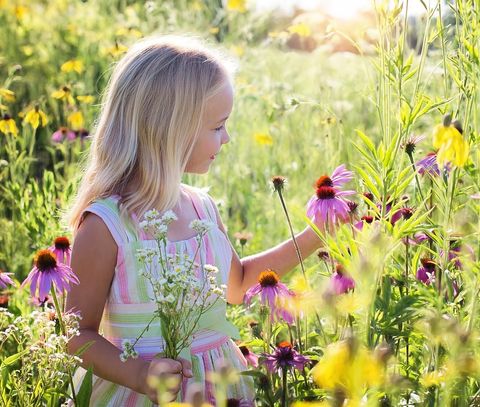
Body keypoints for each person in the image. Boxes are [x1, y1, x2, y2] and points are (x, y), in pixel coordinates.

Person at [65, 35, 324, 406]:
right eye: (218, 126)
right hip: (139, 394)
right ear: (171, 129)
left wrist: (315, 235)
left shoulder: (203, 208)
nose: (228, 137)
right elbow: (77, 336)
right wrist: (139, 374)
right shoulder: (107, 226)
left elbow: (237, 286)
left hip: (220, 388)